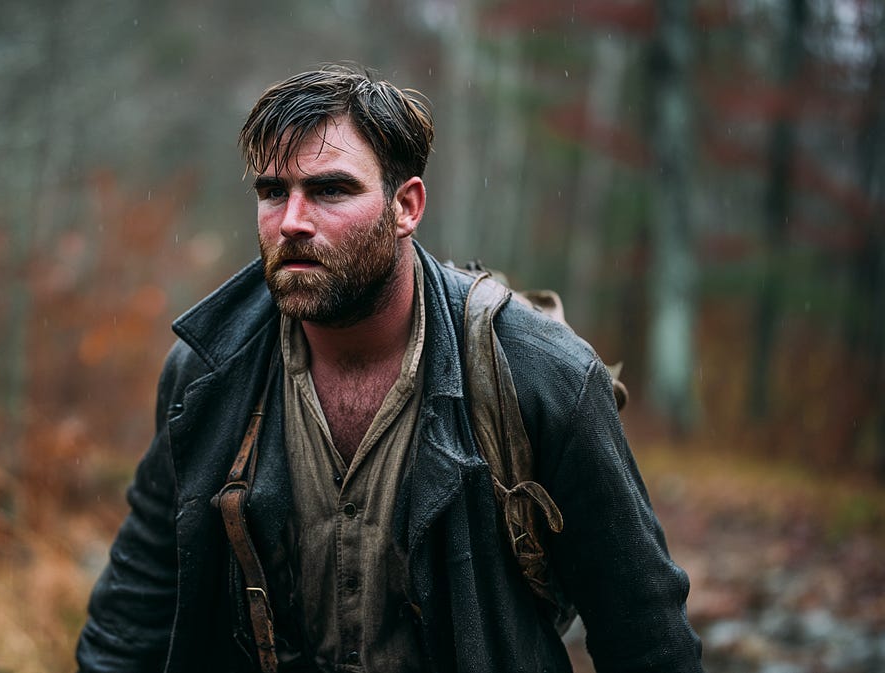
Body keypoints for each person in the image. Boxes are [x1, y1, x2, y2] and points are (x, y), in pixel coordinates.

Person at [75, 64, 703, 673]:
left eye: (330, 189)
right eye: (273, 192)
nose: (291, 221)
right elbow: (142, 593)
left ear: (406, 206)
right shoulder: (207, 371)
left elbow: (643, 627)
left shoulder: (544, 376)